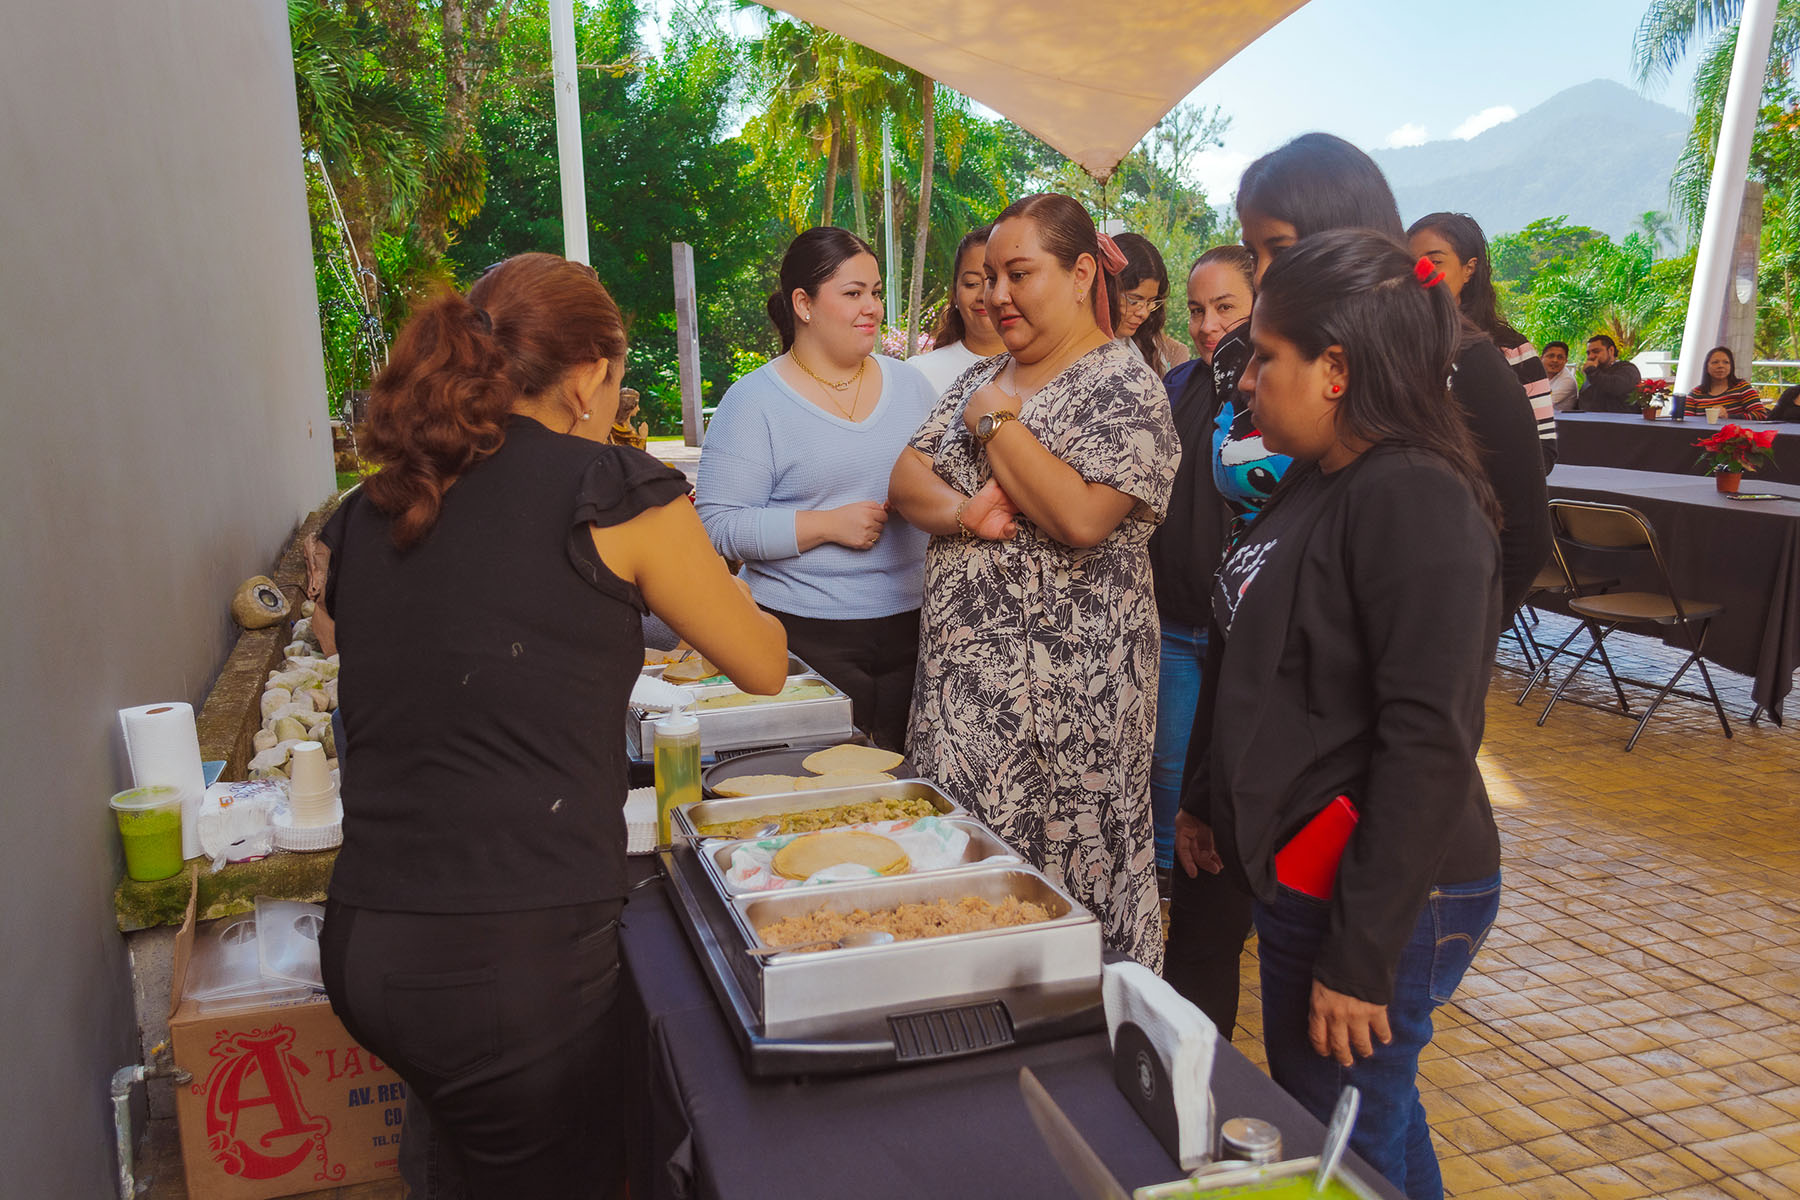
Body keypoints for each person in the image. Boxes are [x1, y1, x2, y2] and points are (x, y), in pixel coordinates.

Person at [315, 253, 789, 1196]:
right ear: (586, 378)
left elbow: (366, 635)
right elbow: (763, 664)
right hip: (508, 959)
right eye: (618, 380)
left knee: (459, 1162)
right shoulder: (615, 487)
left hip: (367, 937)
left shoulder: (374, 506)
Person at [1182, 228, 1503, 1200]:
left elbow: (1429, 739)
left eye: (1266, 358)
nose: (1246, 383)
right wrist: (1208, 799)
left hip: (1381, 886)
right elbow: (1254, 656)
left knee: (1344, 1132)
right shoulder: (1319, 479)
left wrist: (1361, 957)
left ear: (1335, 369)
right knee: (1359, 1122)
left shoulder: (1413, 495)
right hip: (1308, 865)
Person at [890, 193, 1178, 969]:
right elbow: (905, 482)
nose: (996, 296)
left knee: (1065, 919)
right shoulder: (981, 374)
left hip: (1066, 721)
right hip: (961, 706)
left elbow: (1080, 516)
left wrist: (995, 423)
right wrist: (964, 513)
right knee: (958, 900)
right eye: (988, 278)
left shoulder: (1126, 385)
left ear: (1083, 273)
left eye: (1019, 274)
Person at [697, 228, 936, 751]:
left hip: (919, 628)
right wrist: (825, 525)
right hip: (803, 633)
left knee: (910, 802)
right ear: (803, 304)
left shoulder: (913, 386)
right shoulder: (754, 401)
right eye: (853, 294)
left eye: (875, 292)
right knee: (825, 795)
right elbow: (714, 526)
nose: (871, 307)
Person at [1153, 245, 1261, 1031]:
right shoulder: (1177, 385)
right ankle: (1171, 924)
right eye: (1196, 310)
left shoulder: (1265, 395)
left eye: (1225, 307)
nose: (1208, 324)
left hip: (1235, 635)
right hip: (1172, 619)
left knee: (1216, 784)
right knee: (1168, 774)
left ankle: (1207, 931)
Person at [1409, 212, 1556, 470]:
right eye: (1411, 262)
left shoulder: (1512, 350)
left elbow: (1544, 450)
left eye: (1435, 261)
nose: (1421, 272)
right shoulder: (1398, 345)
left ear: (1469, 269)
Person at [911, 224, 1007, 396]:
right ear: (955, 293)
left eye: (993, 281)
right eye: (972, 283)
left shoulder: (1048, 369)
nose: (983, 296)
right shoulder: (920, 373)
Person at [1113, 231, 1190, 375]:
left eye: (1151, 302)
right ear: (1108, 290)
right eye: (1134, 301)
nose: (1143, 313)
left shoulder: (1153, 348)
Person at [1685, 345, 1769, 420]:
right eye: (1715, 362)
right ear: (1706, 367)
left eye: (1726, 362)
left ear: (1731, 367)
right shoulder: (1695, 394)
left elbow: (1761, 415)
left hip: (1736, 437)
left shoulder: (1742, 388)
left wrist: (1728, 417)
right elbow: (1687, 421)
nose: (1720, 366)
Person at [1576, 334, 1642, 412]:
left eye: (1596, 351)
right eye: (1588, 353)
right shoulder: (1595, 373)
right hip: (1588, 421)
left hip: (1619, 422)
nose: (1590, 356)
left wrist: (1591, 371)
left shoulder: (1628, 369)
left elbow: (1614, 386)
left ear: (1611, 350)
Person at [1542, 341, 1579, 412]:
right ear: (1541, 358)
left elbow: (1543, 404)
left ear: (1566, 361)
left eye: (1560, 357)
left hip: (1558, 421)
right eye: (1551, 356)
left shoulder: (1568, 381)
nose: (1555, 360)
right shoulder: (1537, 374)